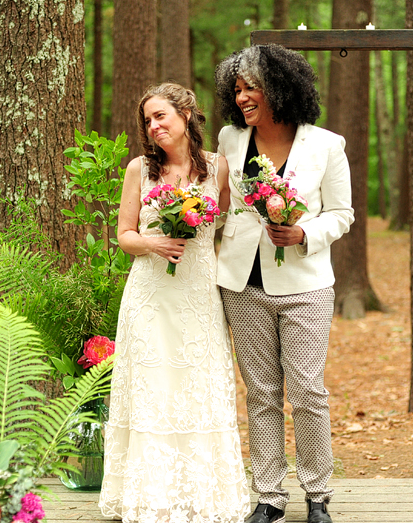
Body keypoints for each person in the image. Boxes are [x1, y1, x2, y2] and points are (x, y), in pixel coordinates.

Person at [214, 44, 354, 523]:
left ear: (280, 88)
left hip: (306, 284)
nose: (242, 97)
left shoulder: (326, 145)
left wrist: (303, 233)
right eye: (237, 89)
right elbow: (218, 203)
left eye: (251, 87)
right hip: (240, 282)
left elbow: (342, 214)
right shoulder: (230, 139)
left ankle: (318, 495)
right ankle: (269, 497)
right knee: (260, 393)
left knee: (308, 393)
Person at [99, 83, 250, 523]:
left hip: (199, 293)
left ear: (186, 114)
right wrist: (152, 243)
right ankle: (150, 495)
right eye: (147, 120)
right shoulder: (138, 171)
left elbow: (230, 223)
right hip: (149, 295)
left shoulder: (218, 168)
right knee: (153, 388)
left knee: (196, 385)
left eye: (161, 116)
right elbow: (124, 235)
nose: (154, 126)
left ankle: (203, 494)